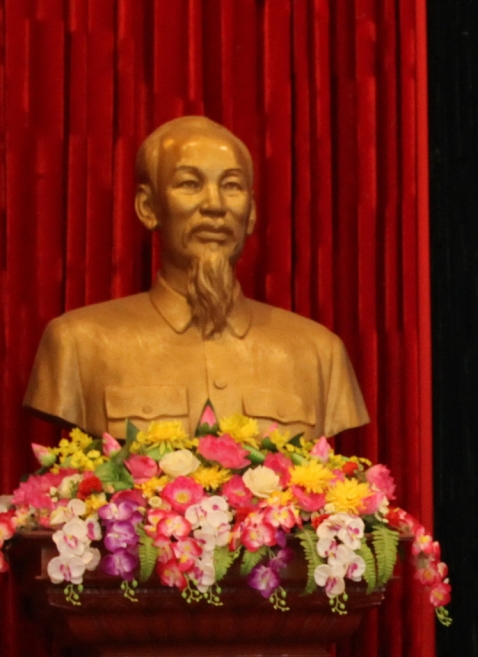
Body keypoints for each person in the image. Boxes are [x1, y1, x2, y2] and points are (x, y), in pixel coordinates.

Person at [23, 115, 369, 440]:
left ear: (251, 213)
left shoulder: (318, 353)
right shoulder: (79, 343)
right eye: (190, 184)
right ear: (148, 207)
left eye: (232, 186)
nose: (215, 205)